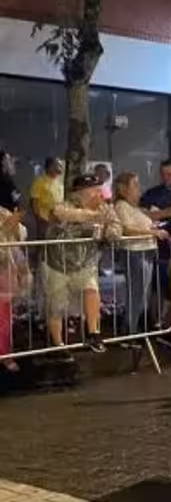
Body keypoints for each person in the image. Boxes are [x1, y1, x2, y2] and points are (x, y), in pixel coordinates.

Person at [42, 174, 122, 353]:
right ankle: (58, 345)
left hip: (85, 262)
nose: (100, 194)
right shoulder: (67, 205)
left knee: (92, 291)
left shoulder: (105, 208)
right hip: (58, 263)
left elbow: (116, 227)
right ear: (81, 193)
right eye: (95, 190)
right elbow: (59, 213)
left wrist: (108, 232)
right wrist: (92, 216)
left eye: (100, 189)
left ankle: (94, 333)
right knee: (56, 304)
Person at [112, 172, 169, 335]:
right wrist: (152, 233)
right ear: (124, 189)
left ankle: (134, 326)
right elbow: (127, 229)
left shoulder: (133, 208)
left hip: (145, 251)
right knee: (136, 293)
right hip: (134, 252)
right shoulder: (121, 206)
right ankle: (129, 329)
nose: (139, 189)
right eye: (135, 185)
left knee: (142, 292)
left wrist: (152, 228)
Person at [0, 203, 30, 373]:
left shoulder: (2, 212)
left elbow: (21, 234)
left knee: (4, 321)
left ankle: (5, 354)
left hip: (5, 276)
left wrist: (13, 227)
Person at [139, 160, 171, 233]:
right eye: (163, 175)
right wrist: (166, 212)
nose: (165, 178)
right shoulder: (152, 194)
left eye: (169, 175)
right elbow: (140, 215)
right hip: (159, 234)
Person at [30, 157, 64, 239]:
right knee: (43, 241)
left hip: (57, 219)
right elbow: (34, 201)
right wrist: (39, 218)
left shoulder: (60, 184)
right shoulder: (39, 182)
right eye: (57, 165)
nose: (59, 168)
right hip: (44, 219)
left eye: (60, 166)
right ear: (50, 167)